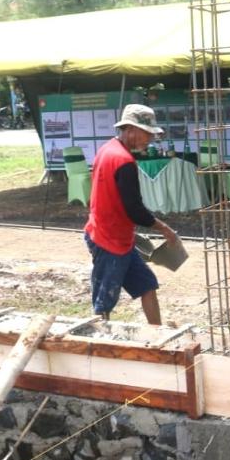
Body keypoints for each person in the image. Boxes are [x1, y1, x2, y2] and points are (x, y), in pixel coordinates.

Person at [84, 104, 178, 324]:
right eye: (146, 133)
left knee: (147, 284)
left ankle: (158, 334)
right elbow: (134, 210)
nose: (149, 139)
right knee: (104, 300)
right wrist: (164, 229)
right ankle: (98, 343)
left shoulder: (107, 149)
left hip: (114, 234)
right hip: (108, 239)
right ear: (129, 129)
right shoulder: (124, 161)